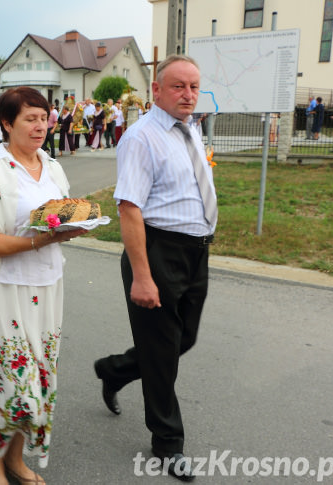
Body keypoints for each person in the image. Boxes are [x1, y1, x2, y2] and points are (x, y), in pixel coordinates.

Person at [94, 54, 217, 482]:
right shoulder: (141, 137)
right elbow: (129, 209)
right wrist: (143, 276)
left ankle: (116, 369)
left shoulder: (190, 130)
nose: (188, 94)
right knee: (163, 351)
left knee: (183, 338)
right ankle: (167, 443)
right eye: (179, 86)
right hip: (158, 250)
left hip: (196, 251)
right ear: (157, 90)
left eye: (194, 87)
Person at [0, 86, 88, 485]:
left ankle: (14, 460)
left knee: (40, 378)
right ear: (6, 123)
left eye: (44, 117)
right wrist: (39, 239)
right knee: (13, 383)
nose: (40, 126)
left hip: (47, 285)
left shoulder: (51, 166)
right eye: (30, 119)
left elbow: (62, 213)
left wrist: (73, 225)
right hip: (2, 290)